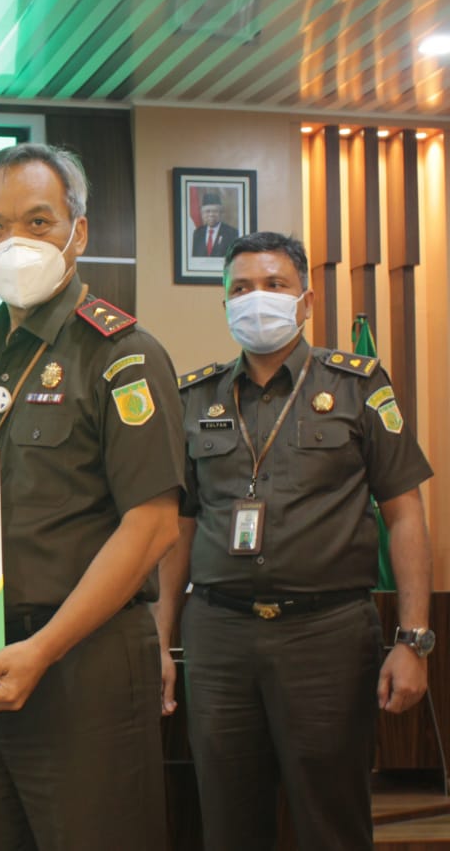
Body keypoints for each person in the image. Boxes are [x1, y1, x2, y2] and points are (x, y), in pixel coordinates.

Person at [0, 142, 186, 849]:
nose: (12, 241)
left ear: (77, 233)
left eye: (37, 221)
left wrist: (44, 649)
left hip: (82, 662)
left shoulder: (122, 354)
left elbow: (152, 527)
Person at [155, 231, 434, 851]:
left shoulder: (358, 385)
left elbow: (405, 513)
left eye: (274, 285)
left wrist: (413, 640)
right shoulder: (195, 396)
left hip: (327, 635)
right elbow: (179, 527)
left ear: (305, 301)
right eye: (241, 289)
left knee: (332, 823)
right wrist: (161, 641)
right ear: (225, 304)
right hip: (219, 637)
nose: (257, 299)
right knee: (227, 824)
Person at [191, 191, 239, 258]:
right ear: (202, 214)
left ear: (221, 213)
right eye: (207, 211)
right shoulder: (197, 233)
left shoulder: (232, 233)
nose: (211, 215)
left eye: (215, 211)